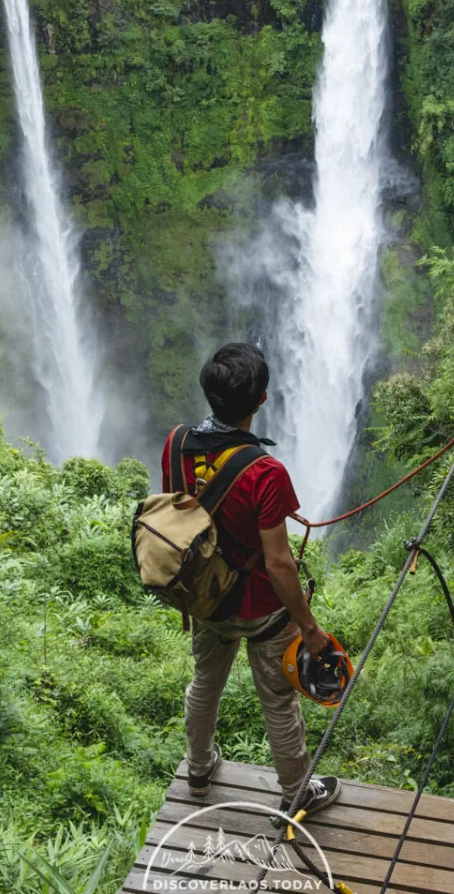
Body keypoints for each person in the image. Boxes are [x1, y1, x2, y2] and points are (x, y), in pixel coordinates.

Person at [165, 341, 342, 819]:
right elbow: (279, 564)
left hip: (205, 594)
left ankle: (199, 769)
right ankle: (296, 792)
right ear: (262, 399)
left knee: (205, 680)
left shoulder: (177, 443)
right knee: (279, 701)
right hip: (261, 608)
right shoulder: (267, 473)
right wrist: (309, 628)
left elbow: (181, 513)